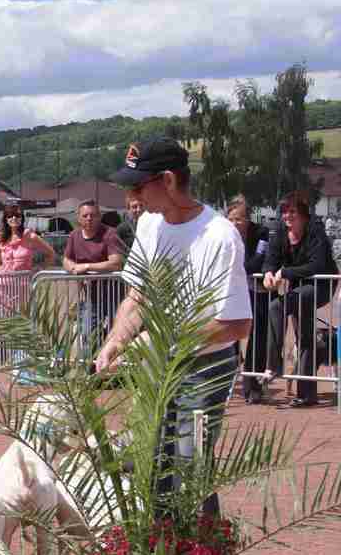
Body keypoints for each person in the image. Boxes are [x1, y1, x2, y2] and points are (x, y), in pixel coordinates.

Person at [96, 138, 251, 516]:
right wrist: (115, 339)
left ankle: (203, 548)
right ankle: (160, 544)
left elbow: (235, 324)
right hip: (159, 365)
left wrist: (163, 337)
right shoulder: (149, 225)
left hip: (205, 369)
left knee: (190, 464)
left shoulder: (219, 235)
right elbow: (137, 296)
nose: (132, 197)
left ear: (167, 180)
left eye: (138, 186)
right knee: (152, 460)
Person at [263, 189, 335, 408]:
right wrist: (268, 272)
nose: (287, 215)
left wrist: (285, 272)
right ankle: (307, 394)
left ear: (303, 214)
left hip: (320, 286)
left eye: (292, 211)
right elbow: (271, 259)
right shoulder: (280, 233)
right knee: (305, 336)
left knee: (277, 306)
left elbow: (317, 265)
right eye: (285, 211)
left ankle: (274, 366)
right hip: (298, 289)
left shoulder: (316, 232)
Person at [63, 200, 127, 351]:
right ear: (78, 218)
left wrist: (86, 267)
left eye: (93, 215)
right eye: (85, 215)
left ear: (99, 216)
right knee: (87, 334)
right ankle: (90, 363)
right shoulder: (74, 235)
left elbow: (116, 263)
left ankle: (116, 364)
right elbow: (66, 259)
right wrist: (72, 267)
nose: (89, 218)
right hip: (92, 297)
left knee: (117, 334)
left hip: (114, 295)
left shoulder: (110, 234)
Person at [225, 196, 271, 403]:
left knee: (258, 337)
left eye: (239, 219)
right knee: (228, 335)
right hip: (232, 291)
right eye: (231, 219)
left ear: (248, 218)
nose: (235, 223)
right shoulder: (224, 234)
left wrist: (238, 270)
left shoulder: (262, 233)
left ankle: (253, 387)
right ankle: (227, 379)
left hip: (257, 290)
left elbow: (258, 260)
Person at [0, 203, 56, 315]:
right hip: (3, 287)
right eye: (10, 216)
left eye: (17, 215)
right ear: (6, 219)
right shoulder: (2, 237)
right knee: (4, 321)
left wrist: (38, 270)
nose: (14, 218)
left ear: (22, 218)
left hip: (23, 288)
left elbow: (51, 253)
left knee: (23, 321)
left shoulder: (30, 236)